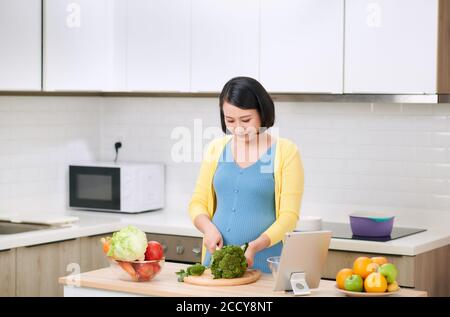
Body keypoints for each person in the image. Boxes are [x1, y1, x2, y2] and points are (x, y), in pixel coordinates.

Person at [188, 76, 304, 273]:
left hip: (265, 264)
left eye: (246, 120)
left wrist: (255, 246)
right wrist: (208, 229)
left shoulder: (286, 152)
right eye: (230, 120)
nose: (238, 128)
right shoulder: (216, 149)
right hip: (215, 263)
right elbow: (197, 202)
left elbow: (289, 217)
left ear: (262, 113)